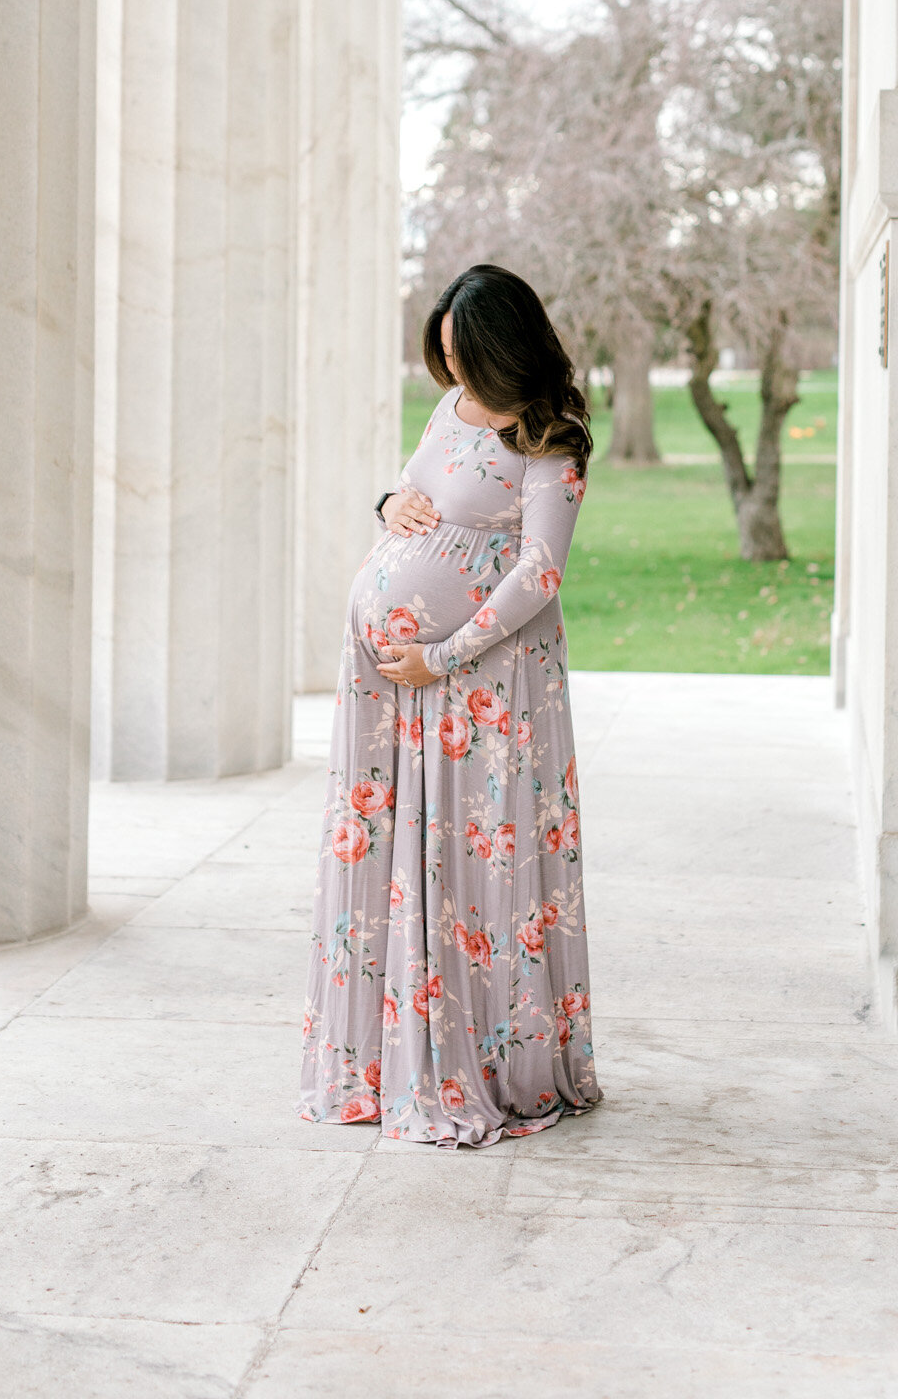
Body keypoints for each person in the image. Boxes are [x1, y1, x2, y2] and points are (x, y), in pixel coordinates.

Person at [298, 263, 600, 1146]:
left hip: (482, 688)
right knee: (395, 848)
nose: (453, 375)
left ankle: (486, 1060)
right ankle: (384, 1058)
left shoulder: (552, 437)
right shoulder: (450, 407)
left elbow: (538, 573)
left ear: (504, 350)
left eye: (464, 358)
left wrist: (439, 654)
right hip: (398, 690)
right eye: (442, 357)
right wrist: (390, 501)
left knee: (468, 865)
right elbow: (413, 489)